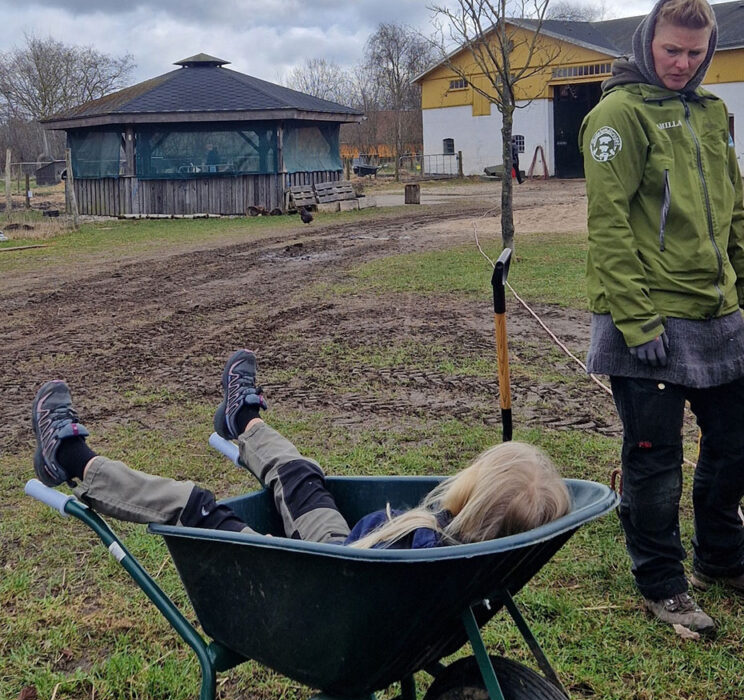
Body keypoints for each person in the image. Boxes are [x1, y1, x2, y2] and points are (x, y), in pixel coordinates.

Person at [31, 351, 571, 549]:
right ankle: (242, 419)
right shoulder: (470, 559)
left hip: (315, 584)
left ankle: (71, 459)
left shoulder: (422, 538)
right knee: (301, 476)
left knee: (196, 506)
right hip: (346, 560)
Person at [579, 0, 744, 637]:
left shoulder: (712, 112)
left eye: (695, 53)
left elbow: (733, 209)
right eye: (671, 49)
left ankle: (721, 557)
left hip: (716, 312)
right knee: (654, 459)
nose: (682, 63)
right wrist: (637, 320)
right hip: (645, 316)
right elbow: (609, 225)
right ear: (648, 41)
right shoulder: (617, 115)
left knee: (735, 440)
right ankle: (662, 584)